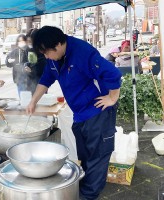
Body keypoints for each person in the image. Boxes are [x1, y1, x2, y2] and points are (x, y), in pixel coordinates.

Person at [26, 26, 122, 200]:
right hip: (79, 114)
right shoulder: (54, 58)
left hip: (97, 113)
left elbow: (113, 73)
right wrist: (33, 101)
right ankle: (85, 190)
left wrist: (112, 98)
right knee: (85, 157)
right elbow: (46, 79)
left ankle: (87, 196)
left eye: (47, 53)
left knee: (97, 158)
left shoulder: (83, 52)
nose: (46, 57)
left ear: (58, 45)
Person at [25, 28, 46, 94]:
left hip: (40, 82)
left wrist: (31, 70)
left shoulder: (42, 50)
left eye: (31, 41)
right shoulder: (27, 49)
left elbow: (42, 66)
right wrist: (25, 65)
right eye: (28, 41)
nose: (29, 43)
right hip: (29, 82)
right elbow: (25, 61)